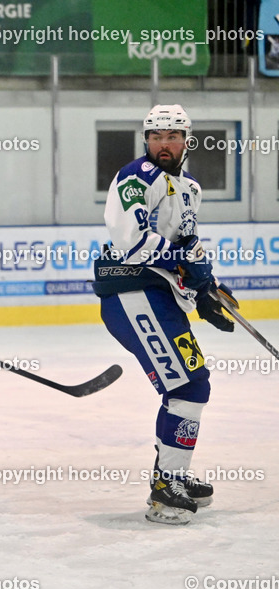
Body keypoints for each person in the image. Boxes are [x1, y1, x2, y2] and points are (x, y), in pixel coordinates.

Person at [93, 104, 234, 525]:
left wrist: (205, 288)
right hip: (132, 292)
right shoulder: (135, 179)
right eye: (156, 137)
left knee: (190, 386)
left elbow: (187, 245)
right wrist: (185, 265)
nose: (164, 144)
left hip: (157, 296)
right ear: (146, 141)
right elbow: (134, 244)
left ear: (187, 140)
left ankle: (173, 475)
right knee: (189, 387)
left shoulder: (190, 186)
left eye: (172, 136)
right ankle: (166, 487)